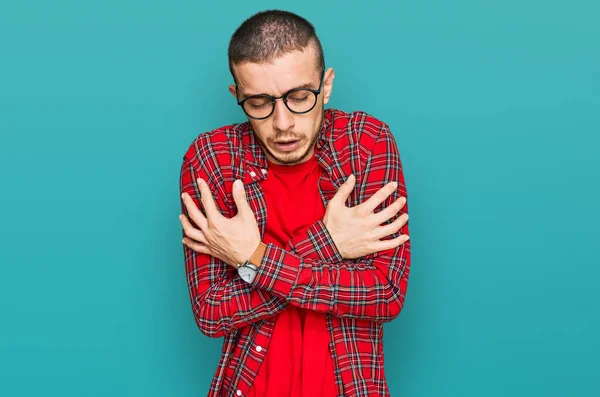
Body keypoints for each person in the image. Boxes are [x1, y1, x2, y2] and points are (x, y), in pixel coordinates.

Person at [178, 9, 411, 397]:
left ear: (327, 84)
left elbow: (385, 291)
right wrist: (330, 243)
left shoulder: (365, 143)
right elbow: (211, 311)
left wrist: (252, 260)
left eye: (300, 97)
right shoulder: (212, 158)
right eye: (259, 103)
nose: (283, 122)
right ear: (237, 96)